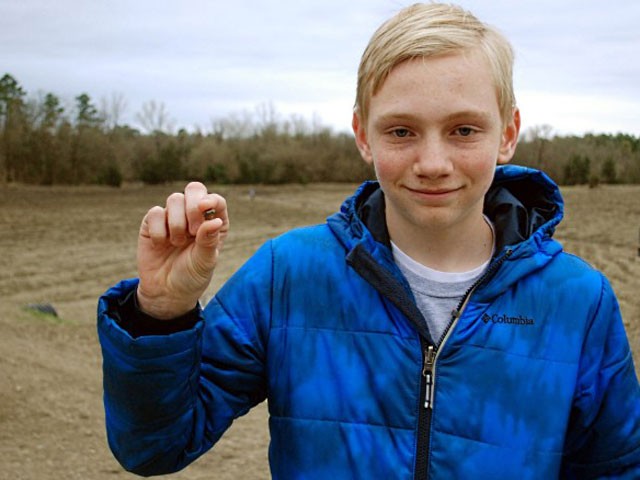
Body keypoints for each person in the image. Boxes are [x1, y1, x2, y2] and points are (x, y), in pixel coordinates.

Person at [98, 3, 640, 478]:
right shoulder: (288, 276)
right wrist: (161, 314)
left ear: (507, 132)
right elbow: (153, 447)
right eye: (401, 131)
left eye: (463, 130)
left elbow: (614, 468)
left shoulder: (578, 302)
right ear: (363, 135)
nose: (432, 163)